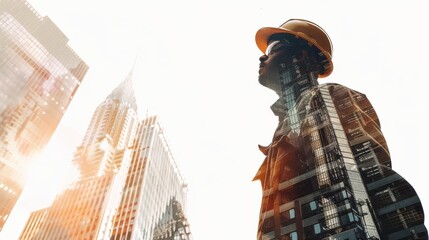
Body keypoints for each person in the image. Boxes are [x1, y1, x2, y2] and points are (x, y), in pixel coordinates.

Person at [253, 19, 427, 240]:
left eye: (273, 50)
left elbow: (371, 174)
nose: (262, 57)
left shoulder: (330, 98)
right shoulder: (282, 130)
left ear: (304, 58)